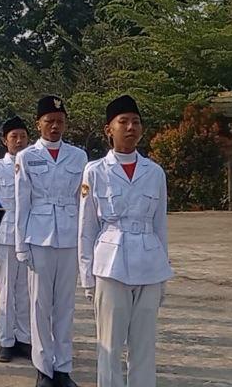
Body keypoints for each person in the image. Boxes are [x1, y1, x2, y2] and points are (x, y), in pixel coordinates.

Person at [79, 95, 173, 387]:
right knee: (109, 347)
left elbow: (160, 225)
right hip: (110, 266)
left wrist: (164, 273)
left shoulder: (154, 172)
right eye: (123, 122)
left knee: (144, 347)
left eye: (136, 122)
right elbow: (86, 227)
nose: (131, 127)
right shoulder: (95, 171)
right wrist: (87, 277)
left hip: (150, 264)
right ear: (109, 129)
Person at [16, 95, 88, 387]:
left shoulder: (78, 156)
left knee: (65, 306)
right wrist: (21, 245)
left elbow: (82, 203)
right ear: (39, 124)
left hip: (69, 235)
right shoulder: (27, 157)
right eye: (49, 122)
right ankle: (43, 369)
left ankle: (63, 367)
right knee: (39, 304)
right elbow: (22, 203)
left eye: (60, 121)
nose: (55, 127)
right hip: (39, 235)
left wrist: (86, 242)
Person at [0, 116, 33, 363]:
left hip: (26, 235)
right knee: (5, 291)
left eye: (23, 137)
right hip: (4, 235)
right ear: (5, 140)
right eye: (14, 137)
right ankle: (6, 341)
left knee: (25, 291)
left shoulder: (32, 163)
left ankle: (24, 338)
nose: (18, 141)